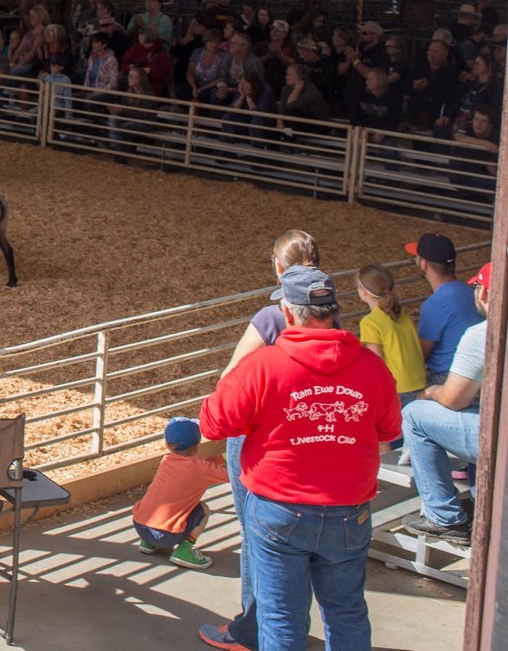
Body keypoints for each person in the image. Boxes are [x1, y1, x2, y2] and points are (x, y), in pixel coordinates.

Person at [198, 266, 400, 651]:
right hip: (348, 510)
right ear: (334, 310)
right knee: (347, 613)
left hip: (279, 508)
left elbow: (213, 423)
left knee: (281, 617)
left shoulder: (262, 367)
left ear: (288, 314)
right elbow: (389, 430)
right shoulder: (373, 369)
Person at [397, 262, 490, 546]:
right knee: (481, 410)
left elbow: (453, 399)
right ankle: (479, 501)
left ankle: (443, 516)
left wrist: (431, 392)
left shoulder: (482, 333)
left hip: (495, 440)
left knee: (414, 413)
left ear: (484, 293)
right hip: (494, 427)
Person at [132, 417, 226, 569]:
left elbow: (195, 469)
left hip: (140, 526)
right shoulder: (202, 469)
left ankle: (149, 544)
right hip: (167, 534)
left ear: (167, 445)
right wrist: (225, 455)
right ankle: (184, 551)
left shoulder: (166, 461)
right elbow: (234, 476)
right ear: (197, 446)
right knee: (203, 510)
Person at [408, 232, 483, 384]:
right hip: (476, 374)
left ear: (423, 263)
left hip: (446, 379)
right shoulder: (471, 292)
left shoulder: (435, 304)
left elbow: (419, 355)